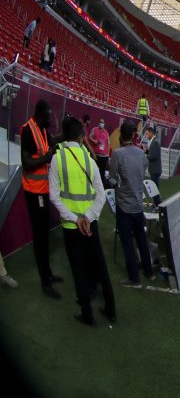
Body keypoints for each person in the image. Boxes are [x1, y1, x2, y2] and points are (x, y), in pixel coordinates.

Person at [48, 116, 115, 326]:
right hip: (90, 224)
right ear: (80, 137)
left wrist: (75, 219)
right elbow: (101, 196)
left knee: (78, 269)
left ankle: (88, 314)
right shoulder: (89, 159)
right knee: (100, 266)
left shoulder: (57, 159)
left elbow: (54, 196)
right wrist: (87, 217)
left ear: (64, 135)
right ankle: (111, 310)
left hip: (71, 226)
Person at [20, 100, 64, 299]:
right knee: (40, 237)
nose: (49, 121)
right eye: (47, 117)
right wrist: (45, 158)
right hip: (34, 191)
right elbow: (26, 162)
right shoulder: (28, 130)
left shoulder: (42, 129)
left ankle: (48, 274)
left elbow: (52, 140)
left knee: (44, 235)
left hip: (43, 190)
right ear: (39, 115)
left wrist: (68, 132)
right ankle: (45, 282)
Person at [109, 121, 155, 289]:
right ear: (134, 135)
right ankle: (149, 272)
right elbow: (143, 170)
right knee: (141, 239)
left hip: (124, 205)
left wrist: (116, 183)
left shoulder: (117, 154)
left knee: (127, 242)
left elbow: (112, 178)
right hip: (138, 204)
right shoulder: (141, 154)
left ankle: (134, 277)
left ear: (121, 135)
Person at [142, 126, 163, 205]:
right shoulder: (153, 141)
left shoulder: (155, 142)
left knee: (154, 188)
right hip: (154, 169)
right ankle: (157, 203)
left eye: (147, 134)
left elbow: (154, 156)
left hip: (155, 169)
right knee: (154, 187)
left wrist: (145, 156)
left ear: (151, 133)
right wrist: (146, 151)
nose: (146, 135)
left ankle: (157, 204)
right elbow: (152, 154)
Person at [89, 116, 111, 184]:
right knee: (94, 172)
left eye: (102, 122)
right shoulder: (94, 129)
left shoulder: (106, 133)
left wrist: (108, 156)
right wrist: (94, 141)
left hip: (104, 157)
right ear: (98, 123)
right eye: (100, 122)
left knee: (102, 173)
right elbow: (89, 138)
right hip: (96, 155)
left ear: (104, 124)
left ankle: (102, 185)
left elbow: (108, 144)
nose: (101, 123)